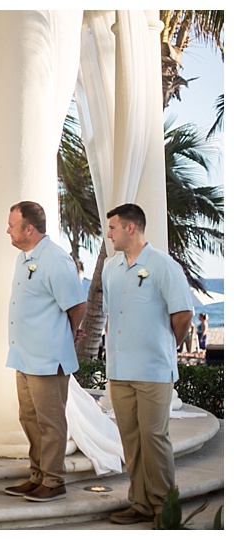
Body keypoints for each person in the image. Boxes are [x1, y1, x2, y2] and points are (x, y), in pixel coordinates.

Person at [102, 203, 193, 525]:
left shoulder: (163, 266)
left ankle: (165, 509)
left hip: (154, 370)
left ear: (130, 228)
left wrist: (167, 347)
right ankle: (139, 502)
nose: (108, 233)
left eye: (112, 227)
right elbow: (111, 317)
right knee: (131, 439)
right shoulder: (110, 268)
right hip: (119, 371)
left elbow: (182, 314)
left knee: (154, 439)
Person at [2, 201, 87, 503]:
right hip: (24, 356)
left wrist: (68, 334)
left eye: (12, 225)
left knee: (50, 422)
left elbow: (77, 305)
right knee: (29, 419)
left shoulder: (55, 259)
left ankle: (54, 480)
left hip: (49, 358)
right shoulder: (23, 258)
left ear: (29, 229)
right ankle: (37, 475)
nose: (7, 230)